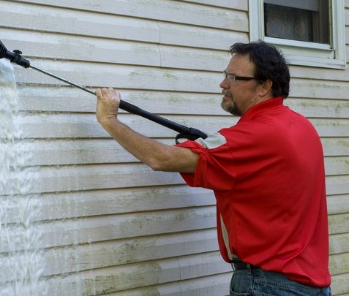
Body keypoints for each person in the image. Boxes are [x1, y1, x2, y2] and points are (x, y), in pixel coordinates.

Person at [95, 41, 331, 295]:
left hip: (268, 286)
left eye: (233, 78)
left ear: (264, 86)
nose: (223, 84)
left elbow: (160, 159)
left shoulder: (248, 138)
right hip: (311, 285)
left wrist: (109, 120)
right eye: (225, 75)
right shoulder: (302, 126)